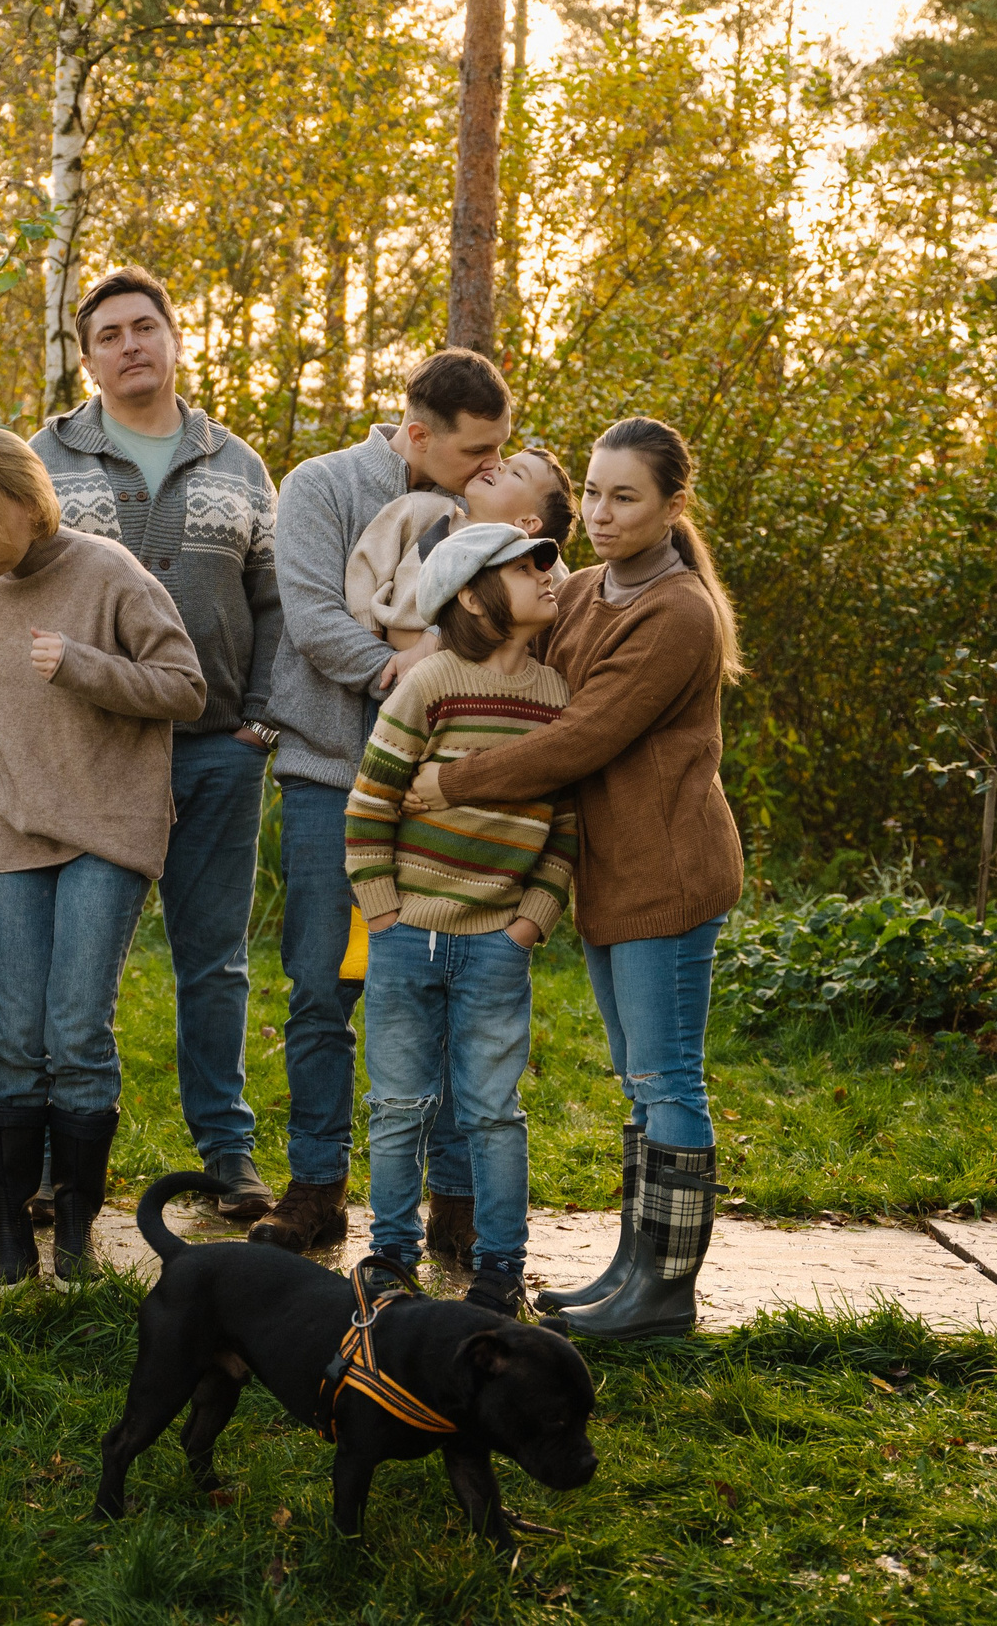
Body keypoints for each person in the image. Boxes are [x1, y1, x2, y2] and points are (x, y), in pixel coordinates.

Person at [408, 415, 745, 1341]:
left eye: (623, 496)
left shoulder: (679, 612)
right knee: (639, 1081)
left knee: (667, 1075)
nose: (598, 512)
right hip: (607, 873)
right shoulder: (589, 587)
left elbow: (582, 735)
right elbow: (519, 670)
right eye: (592, 491)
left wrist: (452, 781)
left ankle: (664, 1292)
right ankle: (633, 1270)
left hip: (665, 873)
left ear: (674, 505)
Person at [0, 426, 205, 1287]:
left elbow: (185, 687)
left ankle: (78, 1242)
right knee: (13, 1037)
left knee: (74, 1031)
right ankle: (10, 1241)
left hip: (109, 823)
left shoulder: (109, 573)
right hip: (18, 824)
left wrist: (86, 666)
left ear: (29, 502)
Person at [30, 265, 282, 1221]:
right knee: (72, 965)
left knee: (213, 961)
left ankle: (229, 1155)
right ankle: (63, 1164)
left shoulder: (238, 462)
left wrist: (260, 719)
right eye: (110, 334)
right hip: (92, 754)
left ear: (176, 339)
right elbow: (14, 588)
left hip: (218, 747)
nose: (131, 344)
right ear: (87, 357)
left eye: (147, 327)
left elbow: (275, 606)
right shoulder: (43, 460)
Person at [251, 348, 514, 1261]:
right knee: (325, 986)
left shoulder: (486, 501)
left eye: (499, 451)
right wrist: (405, 671)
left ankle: (456, 1202)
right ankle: (316, 1187)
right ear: (414, 433)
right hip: (333, 774)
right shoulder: (321, 487)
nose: (490, 468)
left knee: (449, 989)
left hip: (447, 789)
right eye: (474, 451)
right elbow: (314, 616)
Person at [344, 522, 579, 1317]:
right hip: (408, 933)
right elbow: (371, 802)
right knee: (399, 1103)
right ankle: (388, 1257)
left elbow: (566, 831)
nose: (552, 571)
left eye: (550, 559)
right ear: (474, 597)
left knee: (492, 1111)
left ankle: (500, 1265)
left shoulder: (558, 700)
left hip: (496, 944)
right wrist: (384, 915)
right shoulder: (432, 684)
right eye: (529, 564)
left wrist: (530, 924)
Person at [347, 446, 573, 653]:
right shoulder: (423, 510)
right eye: (506, 461)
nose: (498, 465)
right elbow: (367, 564)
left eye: (517, 473)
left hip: (466, 679)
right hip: (388, 661)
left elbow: (563, 599)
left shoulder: (524, 564)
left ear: (527, 522)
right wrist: (371, 638)